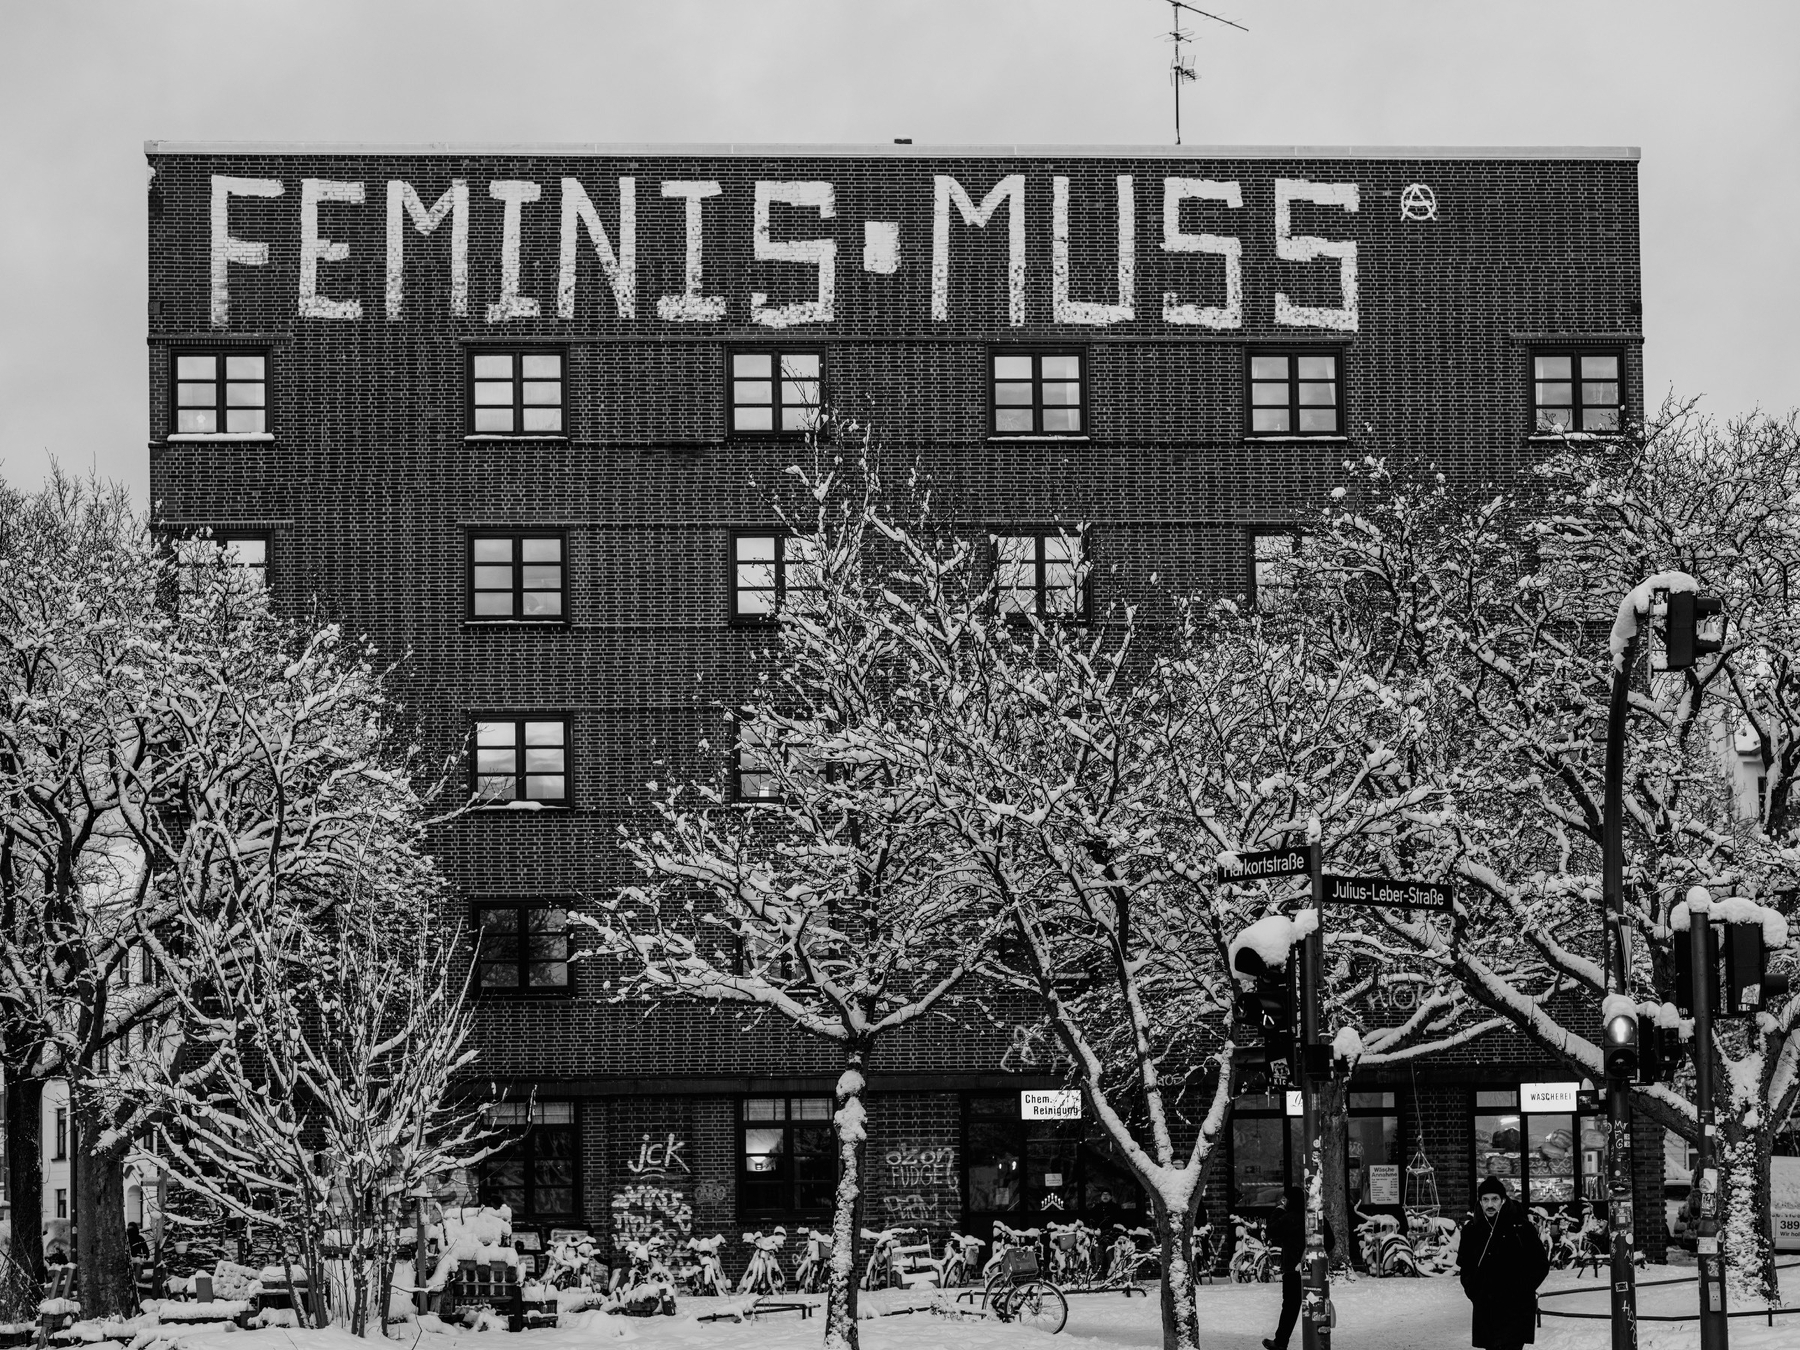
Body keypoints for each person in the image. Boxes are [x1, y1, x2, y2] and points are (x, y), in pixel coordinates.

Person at [1458, 1175, 1550, 1350]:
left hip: (1515, 1309)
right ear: (1480, 1202)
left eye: (1494, 1199)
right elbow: (1465, 1267)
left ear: (1503, 1200)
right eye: (1485, 1200)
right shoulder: (1471, 1230)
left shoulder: (1521, 1227)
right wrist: (1474, 1292)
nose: (1490, 1204)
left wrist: (1522, 1290)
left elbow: (1540, 1264)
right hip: (1486, 1309)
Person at [1263, 1186, 1337, 1350]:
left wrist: (1279, 1210)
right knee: (1315, 1304)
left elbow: (1270, 1230)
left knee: (1290, 1306)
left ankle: (1281, 1341)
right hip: (1314, 1269)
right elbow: (1330, 1242)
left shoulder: (1287, 1218)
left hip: (1292, 1269)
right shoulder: (1315, 1218)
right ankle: (1317, 1340)